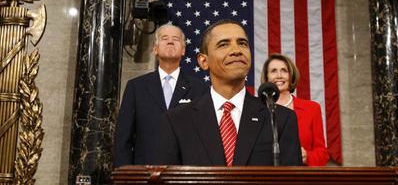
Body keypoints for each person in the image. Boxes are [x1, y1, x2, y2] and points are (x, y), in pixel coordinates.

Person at [156, 20, 302, 166]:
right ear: (203, 61)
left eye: (242, 43)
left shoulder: (279, 118)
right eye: (224, 44)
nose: (236, 50)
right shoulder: (177, 121)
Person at [114, 24, 209, 167]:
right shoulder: (136, 87)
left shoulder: (200, 89)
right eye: (165, 38)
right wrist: (124, 175)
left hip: (186, 173)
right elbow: (123, 138)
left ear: (183, 50)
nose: (170, 41)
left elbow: (205, 138)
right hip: (144, 173)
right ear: (155, 49)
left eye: (175, 39)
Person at [261, 53, 330, 166]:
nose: (279, 75)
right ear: (267, 77)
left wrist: (307, 156)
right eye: (273, 71)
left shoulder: (312, 109)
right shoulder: (257, 110)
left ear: (291, 75)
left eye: (284, 70)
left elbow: (322, 154)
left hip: (301, 178)